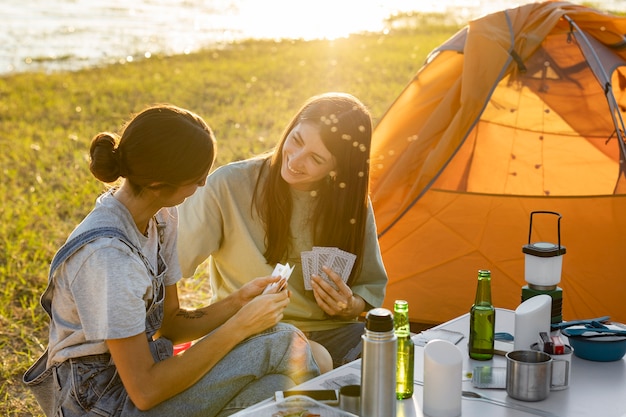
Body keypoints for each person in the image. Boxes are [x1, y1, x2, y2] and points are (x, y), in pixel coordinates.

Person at [23, 104, 320, 417]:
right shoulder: (109, 260)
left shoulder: (161, 218)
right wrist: (240, 326)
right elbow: (145, 392)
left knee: (276, 386)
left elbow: (172, 324)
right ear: (156, 184)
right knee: (282, 342)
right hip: (105, 406)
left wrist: (238, 302)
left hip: (140, 383)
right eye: (197, 178)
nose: (204, 185)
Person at [177, 93, 388, 368]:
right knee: (313, 361)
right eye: (297, 140)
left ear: (339, 168)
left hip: (331, 334)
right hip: (251, 333)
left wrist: (349, 305)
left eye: (316, 158)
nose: (296, 161)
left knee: (397, 354)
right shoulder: (229, 186)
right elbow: (169, 263)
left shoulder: (350, 202)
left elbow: (368, 288)